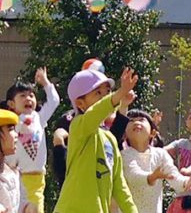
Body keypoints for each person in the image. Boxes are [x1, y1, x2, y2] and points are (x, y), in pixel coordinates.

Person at [54, 68, 139, 213]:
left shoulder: (110, 138)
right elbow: (96, 113)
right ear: (80, 104)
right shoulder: (78, 126)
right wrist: (120, 93)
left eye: (107, 92)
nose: (106, 96)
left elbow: (119, 184)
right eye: (98, 93)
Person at [0, 67, 61, 213]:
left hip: (35, 179)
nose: (28, 99)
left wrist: (45, 82)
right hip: (10, 177)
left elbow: (54, 101)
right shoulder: (7, 120)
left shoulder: (38, 118)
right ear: (11, 104)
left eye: (31, 96)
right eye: (22, 96)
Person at [123, 109, 191, 213]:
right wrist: (152, 177)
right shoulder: (124, 155)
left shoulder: (160, 154)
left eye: (142, 120)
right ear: (124, 134)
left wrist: (185, 182)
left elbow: (172, 173)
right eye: (131, 121)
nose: (136, 122)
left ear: (152, 133)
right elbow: (133, 175)